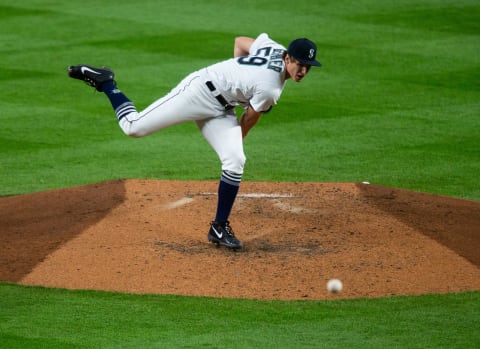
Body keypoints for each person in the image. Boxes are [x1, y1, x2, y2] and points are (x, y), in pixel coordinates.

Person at [67, 33, 321, 250]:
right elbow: (249, 120)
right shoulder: (270, 89)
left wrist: (238, 74)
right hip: (197, 92)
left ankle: (219, 227)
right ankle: (106, 82)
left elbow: (241, 42)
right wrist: (238, 123)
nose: (303, 71)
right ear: (287, 58)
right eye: (300, 64)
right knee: (133, 127)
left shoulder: (273, 48)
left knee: (235, 160)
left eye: (308, 66)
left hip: (222, 109)